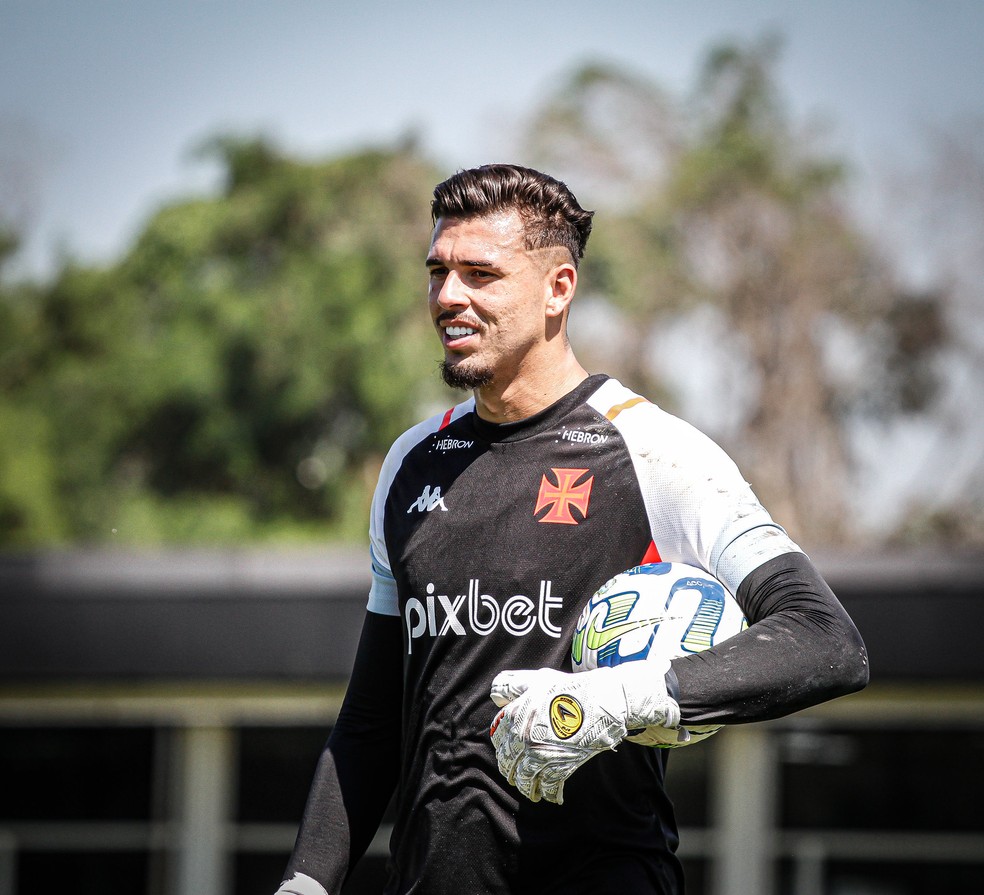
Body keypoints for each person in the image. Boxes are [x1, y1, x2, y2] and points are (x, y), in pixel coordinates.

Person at [275, 164, 869, 895]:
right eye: (437, 271)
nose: (448, 296)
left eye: (480, 274)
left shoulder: (653, 451)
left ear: (559, 288)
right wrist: (306, 880)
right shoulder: (411, 463)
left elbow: (827, 639)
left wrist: (625, 697)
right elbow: (371, 721)